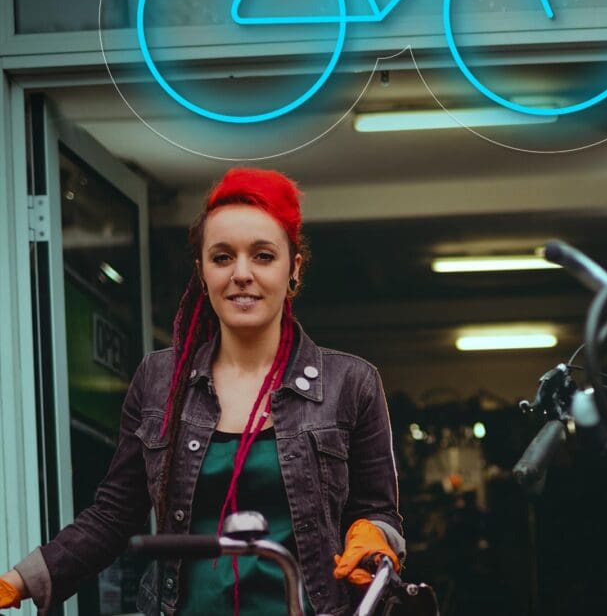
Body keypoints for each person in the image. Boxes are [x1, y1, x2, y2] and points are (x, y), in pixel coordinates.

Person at [0, 167, 404, 615]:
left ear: (295, 268)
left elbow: (379, 513)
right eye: (223, 257)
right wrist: (18, 581)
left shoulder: (351, 383)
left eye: (264, 256)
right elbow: (112, 517)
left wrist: (373, 535)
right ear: (202, 271)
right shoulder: (159, 380)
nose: (242, 274)